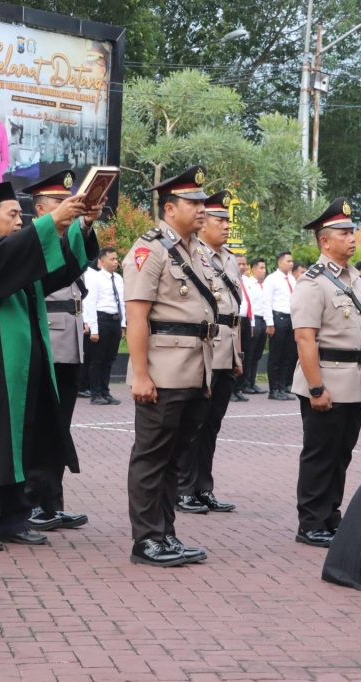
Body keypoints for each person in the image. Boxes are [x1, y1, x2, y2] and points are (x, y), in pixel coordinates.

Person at [0, 182, 97, 552]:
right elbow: (12, 254)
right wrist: (51, 222)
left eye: (21, 215)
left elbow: (61, 269)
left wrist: (82, 226)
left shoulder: (21, 262)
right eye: (12, 215)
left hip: (25, 368)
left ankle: (14, 520)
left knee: (23, 443)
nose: (19, 222)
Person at [122, 165, 216, 567]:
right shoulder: (150, 249)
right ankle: (146, 540)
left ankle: (166, 533)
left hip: (194, 369)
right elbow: (137, 316)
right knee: (151, 457)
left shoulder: (198, 251)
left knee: (175, 458)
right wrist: (141, 374)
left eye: (202, 202)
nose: (202, 209)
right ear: (170, 208)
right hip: (162, 371)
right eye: (193, 203)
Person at [291, 198, 361, 548]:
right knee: (320, 455)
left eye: (352, 232)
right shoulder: (313, 282)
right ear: (325, 241)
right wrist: (316, 388)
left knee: (341, 455)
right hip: (326, 378)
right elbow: (304, 338)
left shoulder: (355, 279)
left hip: (353, 380)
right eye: (344, 233)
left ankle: (329, 515)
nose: (352, 238)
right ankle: (310, 522)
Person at [22, 170, 96, 532]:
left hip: (69, 340)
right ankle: (31, 501)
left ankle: (52, 502)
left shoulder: (66, 236)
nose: (69, 206)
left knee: (59, 427)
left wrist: (86, 224)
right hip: (47, 339)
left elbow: (79, 259)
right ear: (40, 209)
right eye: (59, 202)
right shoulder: (31, 240)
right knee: (38, 426)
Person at [177, 190, 242, 514]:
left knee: (212, 424)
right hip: (204, 349)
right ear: (204, 224)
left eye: (228, 221)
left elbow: (235, 312)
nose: (226, 226)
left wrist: (238, 355)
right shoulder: (194, 255)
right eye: (220, 220)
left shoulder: (229, 258)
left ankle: (203, 487)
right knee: (194, 424)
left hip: (226, 350)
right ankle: (183, 489)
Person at [83, 247, 127, 405]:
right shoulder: (95, 278)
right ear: (102, 262)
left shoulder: (118, 279)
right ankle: (95, 394)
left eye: (116, 259)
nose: (116, 262)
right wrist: (94, 330)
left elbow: (121, 302)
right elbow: (90, 303)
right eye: (112, 259)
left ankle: (105, 391)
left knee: (110, 358)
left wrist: (122, 324)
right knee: (97, 359)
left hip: (115, 320)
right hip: (101, 319)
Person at [263, 251, 297, 400]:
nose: (291, 264)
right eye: (288, 261)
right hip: (278, 318)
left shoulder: (292, 279)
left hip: (291, 319)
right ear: (280, 262)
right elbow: (267, 301)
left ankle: (282, 387)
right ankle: (273, 389)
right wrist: (270, 323)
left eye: (292, 261)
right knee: (275, 356)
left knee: (288, 356)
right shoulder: (272, 279)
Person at [240, 257, 268, 395]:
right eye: (261, 268)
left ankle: (252, 382)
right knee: (249, 353)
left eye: (264, 268)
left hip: (263, 320)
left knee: (257, 354)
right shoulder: (249, 283)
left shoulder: (265, 285)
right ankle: (245, 384)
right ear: (253, 269)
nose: (264, 270)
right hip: (253, 319)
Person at [231, 253, 253, 402]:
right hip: (234, 320)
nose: (242, 267)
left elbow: (252, 304)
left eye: (244, 264)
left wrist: (252, 323)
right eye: (239, 264)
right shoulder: (229, 279)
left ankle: (239, 388)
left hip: (246, 320)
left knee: (246, 355)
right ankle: (231, 390)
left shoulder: (248, 281)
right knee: (234, 355)